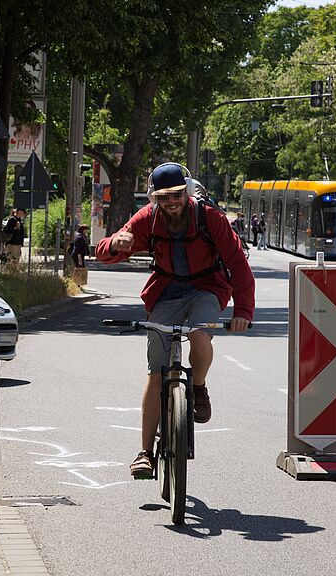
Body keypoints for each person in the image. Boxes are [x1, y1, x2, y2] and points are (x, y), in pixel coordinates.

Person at [95, 163, 255, 479]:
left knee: (199, 334)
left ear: (187, 191)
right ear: (155, 197)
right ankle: (144, 453)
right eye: (165, 196)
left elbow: (238, 264)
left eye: (178, 194)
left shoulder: (209, 218)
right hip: (166, 291)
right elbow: (104, 250)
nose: (172, 201)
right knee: (156, 373)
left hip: (207, 289)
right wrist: (116, 244)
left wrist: (243, 312)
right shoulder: (148, 219)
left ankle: (198, 387)